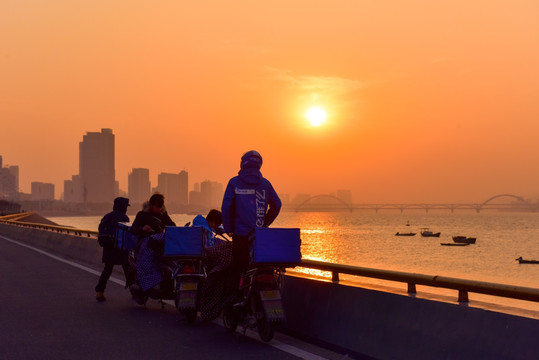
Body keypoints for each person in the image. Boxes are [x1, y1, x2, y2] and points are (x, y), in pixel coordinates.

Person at [221, 150, 282, 274]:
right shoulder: (265, 184)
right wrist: (265, 223)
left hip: (240, 235)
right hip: (260, 235)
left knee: (239, 270)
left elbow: (227, 206)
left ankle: (238, 292)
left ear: (243, 163)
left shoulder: (234, 182)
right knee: (261, 268)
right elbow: (277, 204)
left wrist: (229, 228)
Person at [129, 193, 176, 298]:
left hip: (159, 244)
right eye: (157, 206)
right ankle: (146, 284)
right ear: (151, 205)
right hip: (146, 244)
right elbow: (133, 229)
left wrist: (165, 215)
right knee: (147, 264)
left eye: (161, 207)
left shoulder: (162, 215)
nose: (159, 209)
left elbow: (172, 226)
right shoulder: (142, 215)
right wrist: (142, 229)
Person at [95, 197, 130, 302]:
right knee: (128, 270)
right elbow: (126, 235)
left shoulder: (107, 216)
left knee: (107, 270)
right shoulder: (124, 218)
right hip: (120, 249)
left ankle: (99, 292)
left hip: (108, 248)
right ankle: (135, 292)